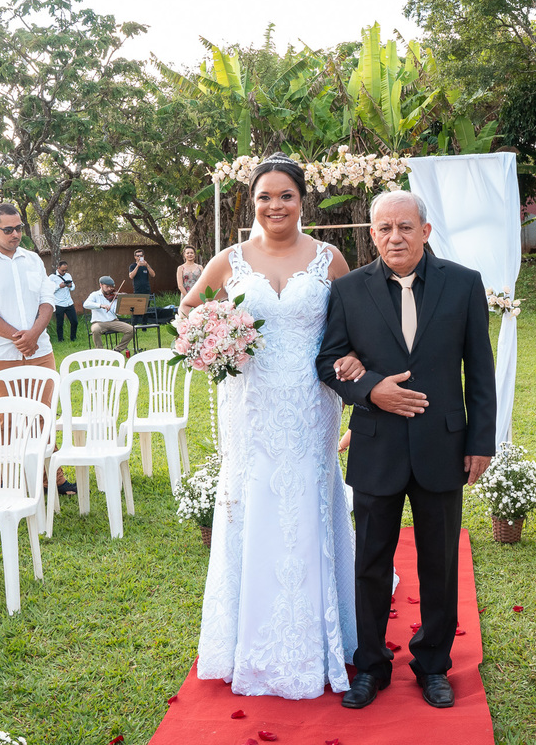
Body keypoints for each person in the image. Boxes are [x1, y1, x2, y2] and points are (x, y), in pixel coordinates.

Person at [186, 153, 359, 700]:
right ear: (252, 202)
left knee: (309, 498)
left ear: (302, 200)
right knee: (255, 501)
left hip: (311, 403)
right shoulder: (229, 260)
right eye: (265, 196)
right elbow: (189, 312)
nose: (275, 205)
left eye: (286, 195)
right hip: (252, 405)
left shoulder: (329, 258)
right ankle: (249, 639)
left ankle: (320, 633)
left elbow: (359, 320)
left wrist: (355, 360)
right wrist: (214, 340)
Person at [317, 190, 497, 710]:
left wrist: (481, 441)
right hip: (377, 447)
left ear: (425, 231)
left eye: (404, 227)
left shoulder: (463, 284)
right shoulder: (348, 289)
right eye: (383, 228)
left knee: (439, 563)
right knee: (371, 563)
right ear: (371, 233)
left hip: (444, 445)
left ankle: (433, 665)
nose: (394, 237)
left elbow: (479, 369)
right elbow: (328, 360)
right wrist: (370, 388)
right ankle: (371, 666)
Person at [0, 203, 73, 495]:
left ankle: (52, 479)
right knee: (5, 420)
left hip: (39, 351)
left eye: (19, 228)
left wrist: (34, 334)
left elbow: (47, 300)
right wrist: (18, 337)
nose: (15, 234)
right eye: (8, 229)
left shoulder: (32, 260)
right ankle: (8, 481)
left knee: (43, 415)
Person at [85, 275, 134, 353]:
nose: (109, 289)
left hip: (113, 321)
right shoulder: (95, 295)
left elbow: (116, 311)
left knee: (131, 330)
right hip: (99, 323)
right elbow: (86, 304)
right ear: (101, 285)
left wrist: (121, 306)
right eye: (107, 287)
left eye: (111, 287)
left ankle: (117, 350)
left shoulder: (114, 296)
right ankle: (100, 352)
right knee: (95, 329)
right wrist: (100, 305)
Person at [50, 259, 79, 342]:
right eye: (62, 270)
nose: (64, 272)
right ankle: (60, 340)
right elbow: (49, 289)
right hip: (59, 303)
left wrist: (70, 286)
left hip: (69, 302)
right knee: (60, 323)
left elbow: (73, 287)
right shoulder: (52, 277)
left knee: (74, 322)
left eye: (66, 270)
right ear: (58, 268)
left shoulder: (68, 275)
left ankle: (73, 338)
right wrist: (59, 286)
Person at [128, 248, 155, 326]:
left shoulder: (146, 265)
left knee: (146, 308)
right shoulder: (132, 266)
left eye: (141, 255)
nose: (139, 257)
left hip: (147, 289)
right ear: (135, 257)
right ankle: (134, 325)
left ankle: (144, 326)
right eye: (138, 256)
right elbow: (131, 276)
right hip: (137, 290)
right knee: (136, 308)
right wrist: (138, 266)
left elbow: (153, 275)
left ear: (144, 256)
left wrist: (147, 266)